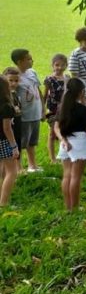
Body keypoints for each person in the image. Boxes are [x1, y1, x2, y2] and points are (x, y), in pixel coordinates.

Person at [53, 77, 86, 211]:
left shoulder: (62, 108)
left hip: (66, 143)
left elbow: (56, 128)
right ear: (81, 92)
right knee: (76, 177)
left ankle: (68, 206)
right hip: (80, 143)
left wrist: (63, 140)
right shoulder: (84, 110)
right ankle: (75, 207)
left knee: (67, 175)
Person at [10, 49, 43, 172]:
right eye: (28, 59)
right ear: (19, 62)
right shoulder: (14, 77)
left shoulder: (32, 72)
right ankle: (18, 168)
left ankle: (32, 165)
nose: (32, 61)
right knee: (21, 142)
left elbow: (38, 90)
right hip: (24, 116)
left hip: (35, 112)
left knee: (32, 142)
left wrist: (43, 110)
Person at [43, 54, 68, 164]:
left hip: (65, 109)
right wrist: (42, 110)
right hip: (53, 109)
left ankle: (63, 155)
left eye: (62, 65)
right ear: (52, 65)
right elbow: (45, 95)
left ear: (66, 66)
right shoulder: (49, 79)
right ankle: (53, 158)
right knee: (52, 133)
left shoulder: (67, 78)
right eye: (57, 65)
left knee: (64, 132)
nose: (59, 67)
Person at [0, 76, 19, 206]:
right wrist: (14, 146)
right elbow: (7, 128)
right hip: (4, 141)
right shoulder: (6, 107)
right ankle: (4, 203)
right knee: (12, 171)